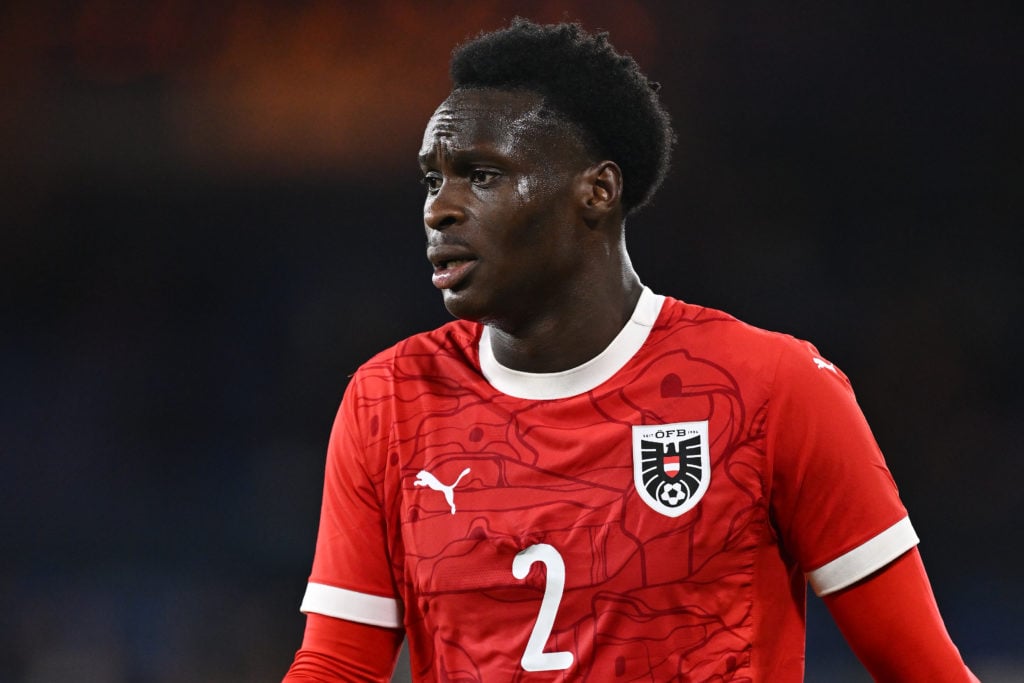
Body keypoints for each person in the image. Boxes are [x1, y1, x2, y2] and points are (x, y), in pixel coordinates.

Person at [283, 18, 977, 682]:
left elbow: (923, 670)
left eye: (482, 174)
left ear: (598, 190)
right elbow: (338, 665)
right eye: (434, 179)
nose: (440, 208)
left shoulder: (772, 388)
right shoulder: (390, 399)